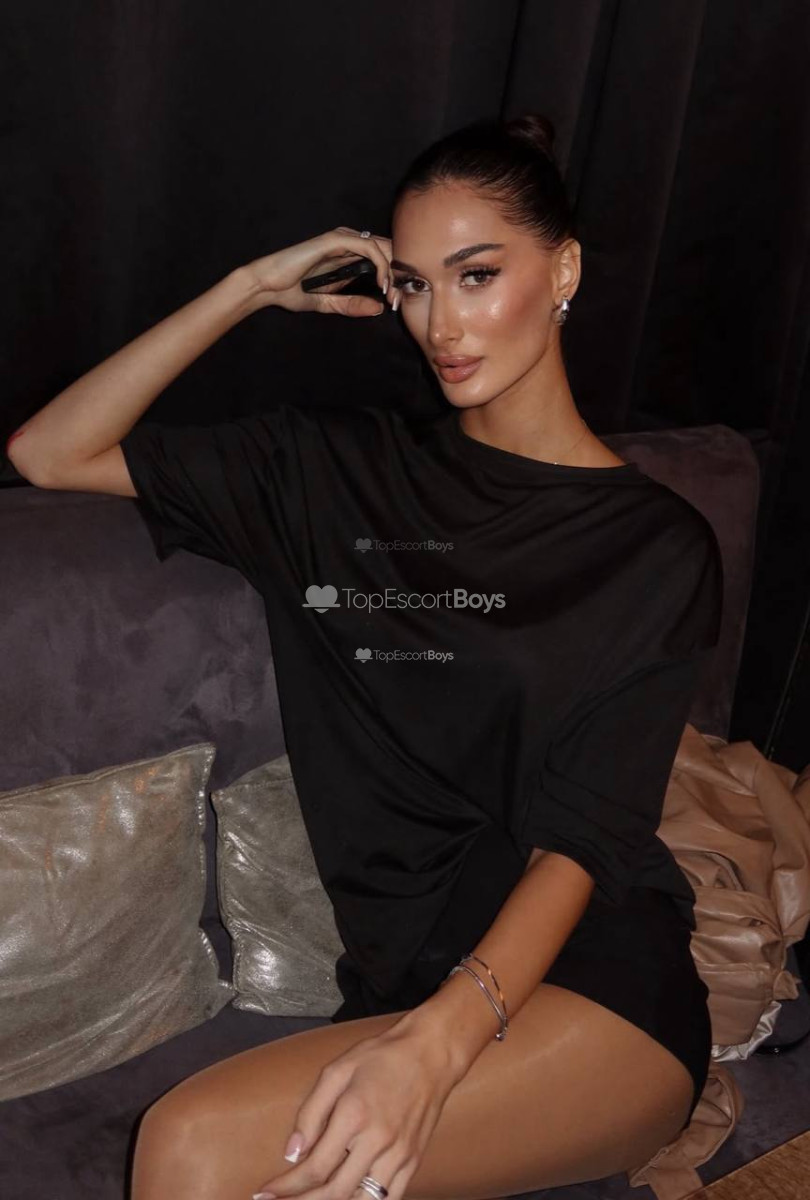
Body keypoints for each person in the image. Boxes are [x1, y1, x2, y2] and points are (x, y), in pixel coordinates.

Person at [7, 112, 723, 1200]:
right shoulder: (331, 474)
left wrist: (438, 1043)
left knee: (188, 1148)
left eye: (477, 275)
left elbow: (586, 836)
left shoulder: (657, 547)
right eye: (416, 286)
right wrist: (251, 287)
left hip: (592, 988)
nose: (443, 322)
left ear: (565, 270)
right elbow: (49, 451)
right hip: (399, 980)